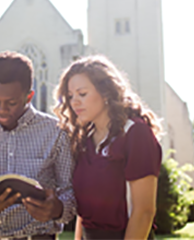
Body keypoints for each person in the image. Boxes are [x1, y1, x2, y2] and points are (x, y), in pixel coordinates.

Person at [0, 51, 76, 240]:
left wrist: (57, 208)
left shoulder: (56, 133)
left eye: (11, 103)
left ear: (29, 96)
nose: (1, 110)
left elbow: (70, 193)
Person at [54, 55, 162, 240]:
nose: (74, 102)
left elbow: (144, 212)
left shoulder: (135, 133)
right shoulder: (83, 141)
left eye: (82, 94)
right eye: (70, 96)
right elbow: (84, 212)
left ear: (105, 93)